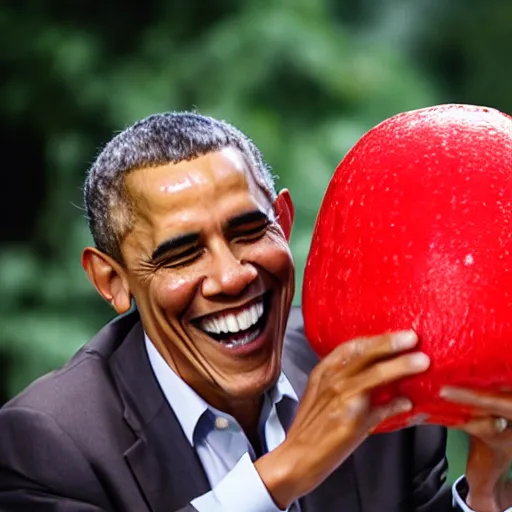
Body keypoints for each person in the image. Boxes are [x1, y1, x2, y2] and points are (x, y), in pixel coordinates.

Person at [0, 112, 511, 512]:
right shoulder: (45, 441)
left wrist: (487, 495)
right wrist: (284, 473)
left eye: (249, 232)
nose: (233, 276)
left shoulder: (372, 371)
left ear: (284, 221)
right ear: (111, 280)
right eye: (181, 254)